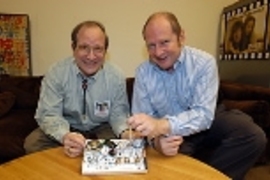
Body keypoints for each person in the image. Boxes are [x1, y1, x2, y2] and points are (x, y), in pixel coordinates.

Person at [128, 12, 266, 180]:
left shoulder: (204, 63)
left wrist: (161, 126)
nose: (158, 52)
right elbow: (143, 124)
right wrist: (156, 143)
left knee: (252, 134)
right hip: (172, 135)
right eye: (151, 45)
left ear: (181, 37)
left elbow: (203, 115)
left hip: (207, 122)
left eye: (165, 42)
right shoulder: (143, 73)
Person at [24, 20, 136, 158]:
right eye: (84, 47)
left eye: (98, 48)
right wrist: (65, 136)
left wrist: (125, 133)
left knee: (120, 146)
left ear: (105, 51)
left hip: (102, 126)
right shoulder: (56, 72)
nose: (91, 56)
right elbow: (49, 114)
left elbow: (118, 114)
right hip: (67, 124)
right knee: (32, 143)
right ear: (73, 48)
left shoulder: (116, 76)